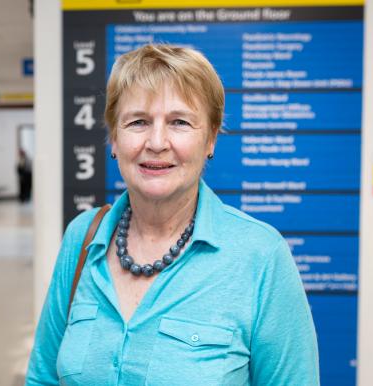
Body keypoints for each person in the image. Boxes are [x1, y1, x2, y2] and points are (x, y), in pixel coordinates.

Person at [26, 44, 318, 385]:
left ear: (210, 139)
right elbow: (43, 376)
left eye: (179, 122)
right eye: (138, 122)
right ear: (114, 140)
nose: (157, 141)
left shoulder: (260, 255)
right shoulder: (83, 237)